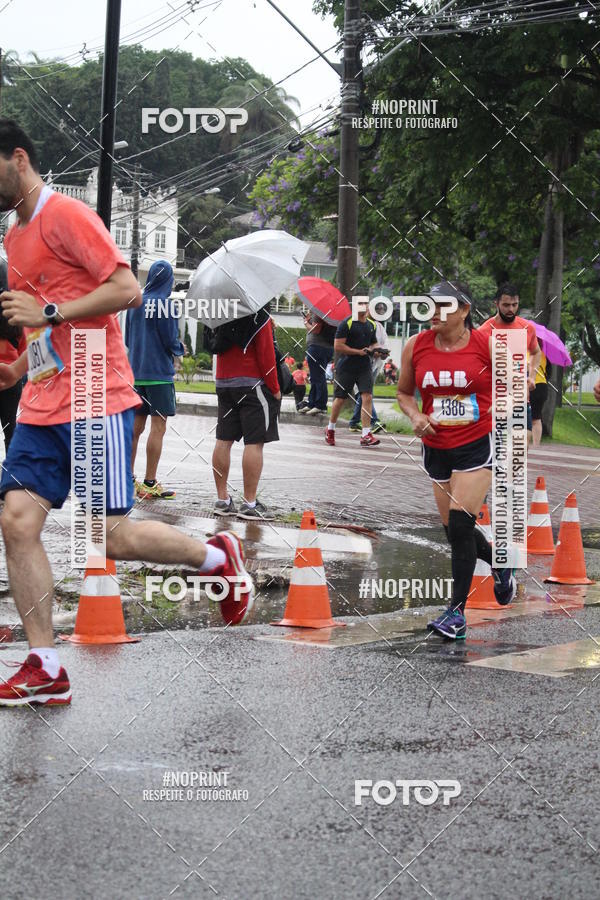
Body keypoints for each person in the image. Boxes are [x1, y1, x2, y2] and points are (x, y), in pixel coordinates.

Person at [0, 119, 254, 706]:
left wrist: (52, 311)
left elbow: (125, 289)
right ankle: (45, 664)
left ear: (18, 158)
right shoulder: (13, 238)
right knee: (16, 521)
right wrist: (20, 370)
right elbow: (45, 326)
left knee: (107, 537)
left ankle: (216, 555)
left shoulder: (65, 215)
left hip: (95, 397)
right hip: (42, 403)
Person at [396, 281, 516, 640]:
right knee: (453, 532)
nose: (433, 312)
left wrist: (500, 405)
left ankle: (456, 614)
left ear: (463, 310)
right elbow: (404, 392)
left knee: (463, 527)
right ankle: (498, 562)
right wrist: (416, 417)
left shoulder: (487, 345)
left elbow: (513, 386)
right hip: (436, 446)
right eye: (428, 306)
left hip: (475, 444)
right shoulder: (415, 346)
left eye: (441, 306)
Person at [211, 305, 281, 520]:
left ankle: (222, 500)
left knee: (224, 440)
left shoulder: (220, 310)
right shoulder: (258, 312)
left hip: (224, 382)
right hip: (252, 383)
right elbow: (266, 354)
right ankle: (250, 503)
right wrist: (275, 389)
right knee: (254, 442)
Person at [125, 259, 184, 499]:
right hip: (159, 376)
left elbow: (128, 340)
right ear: (167, 281)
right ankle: (150, 483)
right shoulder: (165, 306)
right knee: (157, 428)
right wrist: (179, 348)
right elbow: (170, 341)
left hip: (136, 374)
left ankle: (127, 480)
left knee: (135, 429)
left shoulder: (134, 304)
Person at [477, 283, 541, 442]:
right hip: (494, 399)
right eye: (506, 305)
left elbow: (536, 352)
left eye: (515, 305)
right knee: (497, 448)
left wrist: (532, 376)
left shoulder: (527, 327)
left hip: (519, 396)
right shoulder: (484, 331)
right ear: (496, 303)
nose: (511, 309)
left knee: (522, 445)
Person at [325, 299, 385, 448]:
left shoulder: (371, 325)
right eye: (360, 303)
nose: (363, 306)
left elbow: (373, 342)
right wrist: (358, 352)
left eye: (366, 303)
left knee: (367, 396)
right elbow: (338, 346)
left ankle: (365, 434)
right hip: (346, 367)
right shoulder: (347, 323)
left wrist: (379, 350)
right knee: (340, 399)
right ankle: (330, 429)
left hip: (365, 366)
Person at [348, 302, 389, 433]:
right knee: (365, 393)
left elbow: (384, 347)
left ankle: (354, 422)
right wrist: (374, 351)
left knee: (364, 393)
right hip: (360, 364)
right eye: (376, 308)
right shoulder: (359, 325)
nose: (378, 311)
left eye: (380, 309)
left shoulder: (380, 327)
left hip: (374, 365)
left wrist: (383, 353)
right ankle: (373, 420)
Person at [0, 255, 26, 452]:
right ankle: (10, 473)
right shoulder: (16, 315)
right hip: (12, 376)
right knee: (10, 427)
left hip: (11, 374)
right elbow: (25, 349)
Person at [301, 309, 335, 415]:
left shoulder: (319, 312)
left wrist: (306, 323)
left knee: (318, 377)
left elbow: (315, 330)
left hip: (317, 348)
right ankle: (312, 403)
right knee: (315, 377)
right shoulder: (327, 313)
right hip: (326, 348)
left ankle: (320, 405)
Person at [530, 349, 549, 446]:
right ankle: (536, 445)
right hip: (543, 385)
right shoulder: (543, 354)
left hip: (532, 385)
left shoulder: (526, 352)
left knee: (529, 417)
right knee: (536, 418)